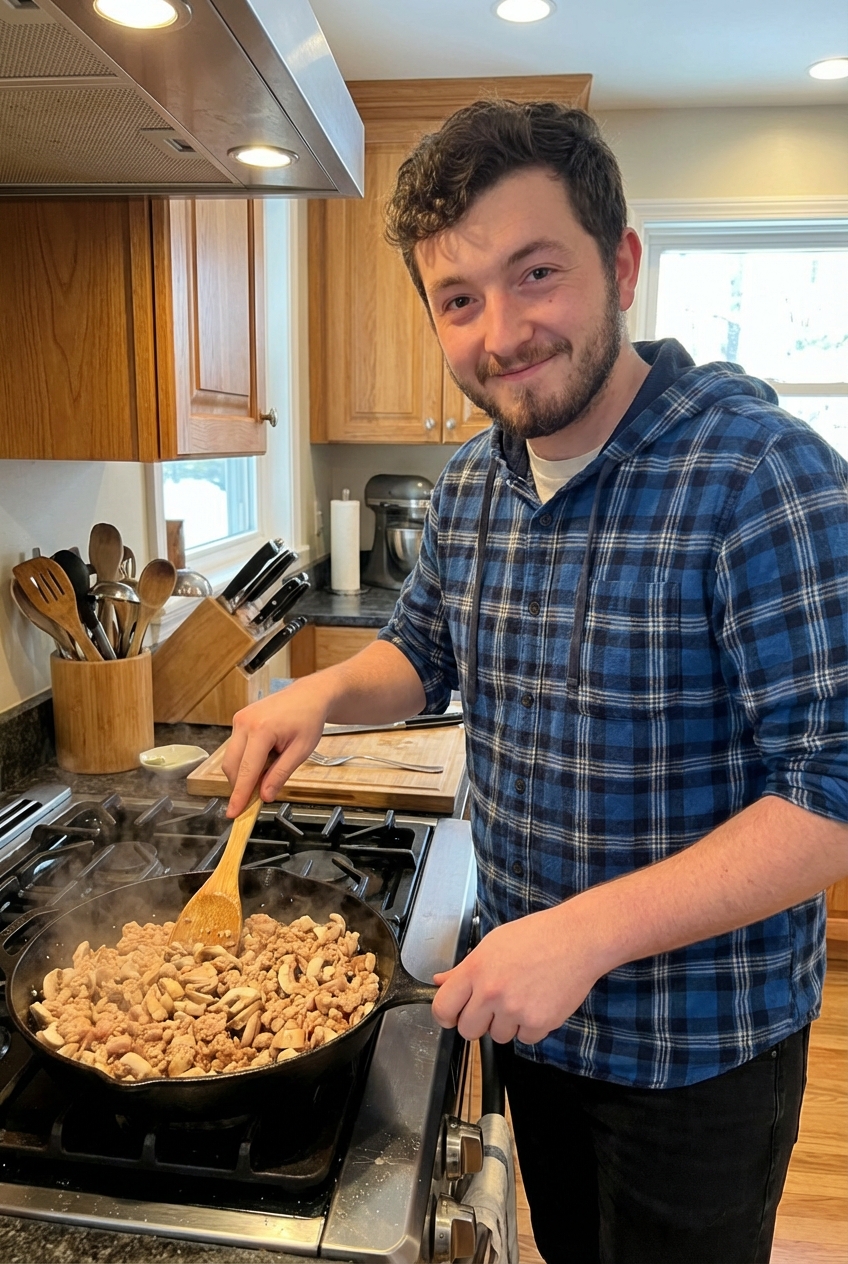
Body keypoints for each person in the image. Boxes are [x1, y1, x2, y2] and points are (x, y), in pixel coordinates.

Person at [223, 101, 848, 1264]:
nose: (500, 331)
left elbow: (834, 788)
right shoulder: (472, 482)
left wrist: (583, 934)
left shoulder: (761, 475)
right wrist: (316, 695)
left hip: (694, 1050)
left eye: (535, 274)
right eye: (459, 299)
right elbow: (421, 651)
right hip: (526, 1017)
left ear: (618, 265)